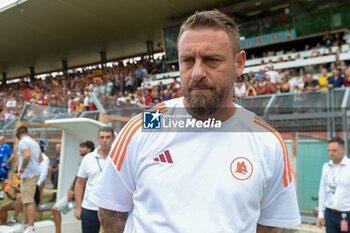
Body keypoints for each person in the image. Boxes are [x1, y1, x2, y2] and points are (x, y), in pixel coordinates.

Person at [92, 10, 301, 233]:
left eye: (211, 60)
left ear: (239, 63)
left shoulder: (267, 140)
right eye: (188, 61)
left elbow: (269, 224)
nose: (197, 73)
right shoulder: (144, 125)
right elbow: (110, 211)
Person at [74, 127, 114, 233]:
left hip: (112, 209)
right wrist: (78, 207)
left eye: (108, 137)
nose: (105, 140)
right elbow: (79, 183)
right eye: (102, 137)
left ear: (113, 139)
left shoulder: (118, 157)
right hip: (90, 208)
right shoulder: (88, 158)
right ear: (98, 139)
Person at [51, 140, 95, 233]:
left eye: (83, 147)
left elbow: (88, 182)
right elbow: (77, 179)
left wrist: (78, 193)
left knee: (86, 219)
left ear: (89, 149)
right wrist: (70, 190)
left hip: (85, 198)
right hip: (72, 196)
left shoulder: (93, 161)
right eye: (80, 146)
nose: (80, 149)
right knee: (55, 209)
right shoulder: (82, 161)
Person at [11, 126, 42, 233]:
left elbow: (27, 155)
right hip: (32, 174)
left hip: (29, 175)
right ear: (27, 132)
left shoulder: (23, 142)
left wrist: (22, 171)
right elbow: (40, 158)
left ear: (18, 136)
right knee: (25, 201)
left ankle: (30, 227)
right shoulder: (34, 142)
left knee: (28, 201)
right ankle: (24, 225)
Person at [316, 137, 350, 232]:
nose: (331, 153)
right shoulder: (326, 167)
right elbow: (322, 191)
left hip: (347, 215)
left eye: (334, 150)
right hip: (330, 214)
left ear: (343, 149)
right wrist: (320, 215)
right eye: (329, 150)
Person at [35, 140, 50, 221]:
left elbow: (44, 172)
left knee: (38, 199)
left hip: (39, 180)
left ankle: (37, 218)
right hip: (35, 179)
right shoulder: (37, 156)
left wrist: (39, 182)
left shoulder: (45, 158)